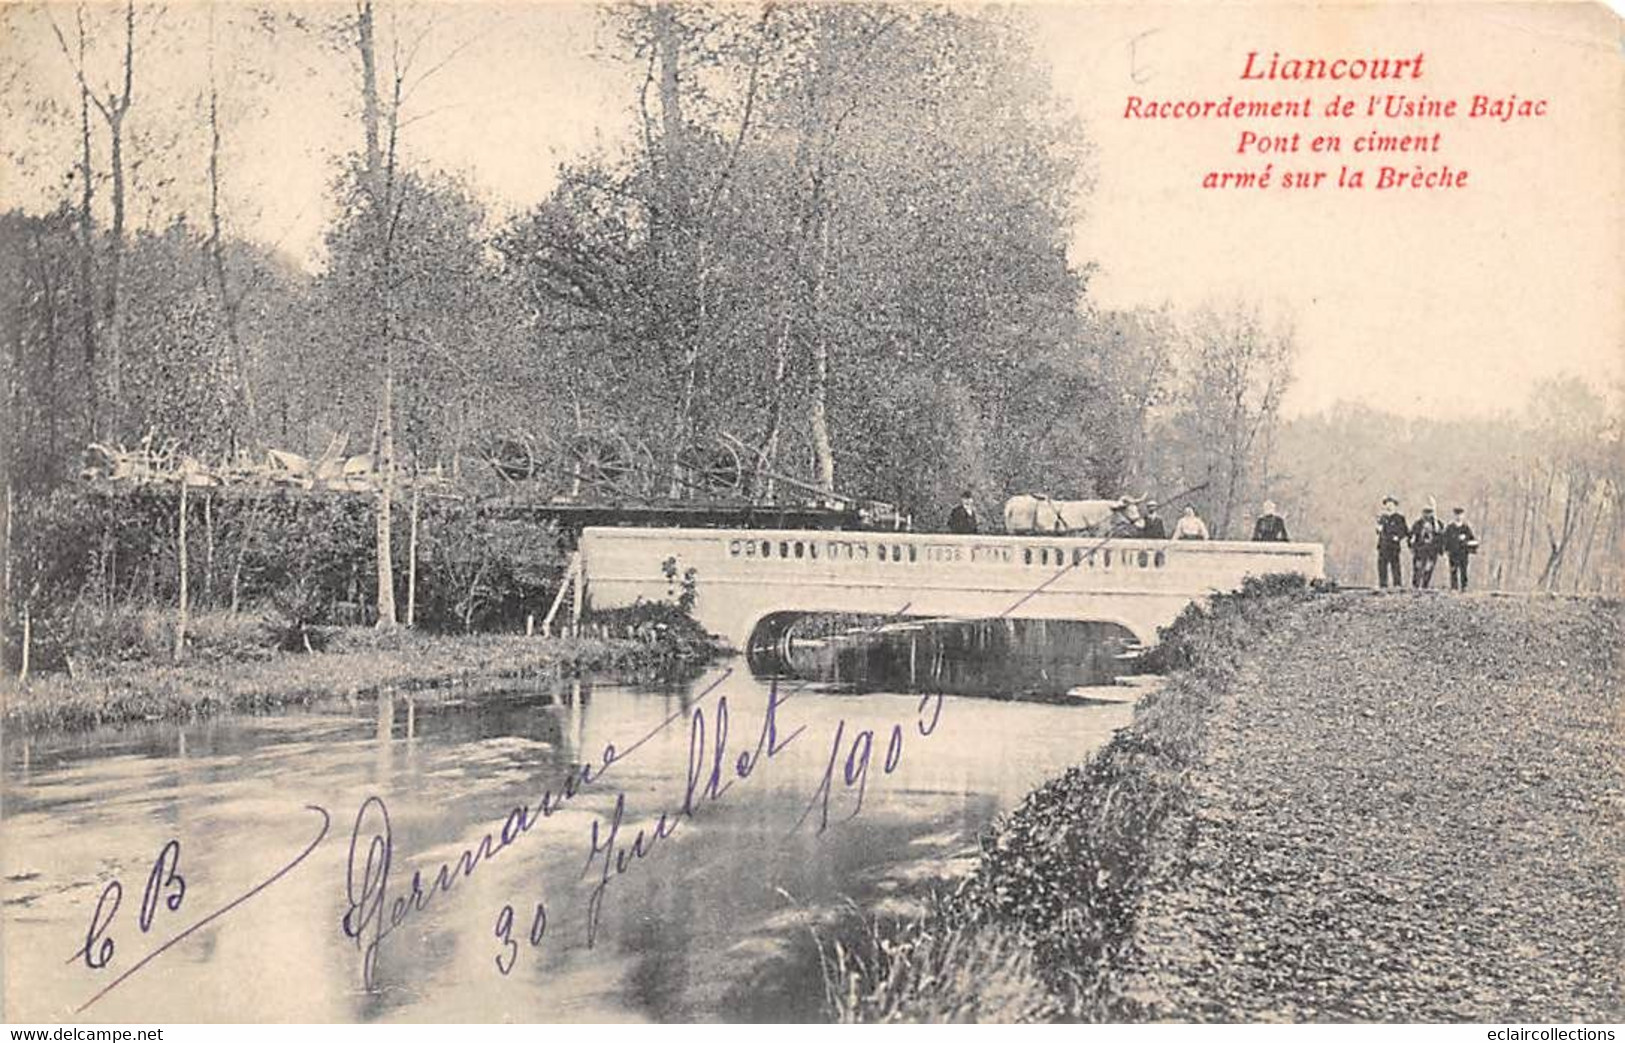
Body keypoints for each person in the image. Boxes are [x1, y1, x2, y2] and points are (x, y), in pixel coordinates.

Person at [1409, 498, 1445, 589]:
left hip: (1432, 551)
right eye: (1425, 512)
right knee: (1418, 568)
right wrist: (1412, 546)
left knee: (1429, 569)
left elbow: (1441, 537)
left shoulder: (1438, 524)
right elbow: (1412, 535)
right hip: (1420, 550)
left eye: (1429, 512)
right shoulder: (1418, 524)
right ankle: (1416, 586)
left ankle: (1425, 585)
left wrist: (1440, 549)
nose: (1427, 514)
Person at [1443, 506, 1479, 591]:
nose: (1458, 517)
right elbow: (1445, 540)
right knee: (1453, 570)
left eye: (1460, 515)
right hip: (1453, 553)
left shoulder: (1466, 528)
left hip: (1463, 553)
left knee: (1464, 570)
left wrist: (1466, 542)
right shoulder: (1450, 528)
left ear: (1463, 516)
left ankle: (1464, 587)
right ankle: (1454, 587)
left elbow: (1472, 540)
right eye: (1457, 515)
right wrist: (1445, 550)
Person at [1375, 496, 1408, 588]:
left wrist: (1398, 537)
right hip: (1383, 545)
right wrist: (1378, 529)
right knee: (1382, 566)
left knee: (1395, 566)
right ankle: (1383, 585)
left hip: (1393, 546)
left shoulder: (1399, 518)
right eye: (1387, 504)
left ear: (1395, 506)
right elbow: (1378, 530)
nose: (1389, 506)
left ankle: (1397, 584)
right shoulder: (1382, 518)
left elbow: (1405, 531)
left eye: (1391, 504)